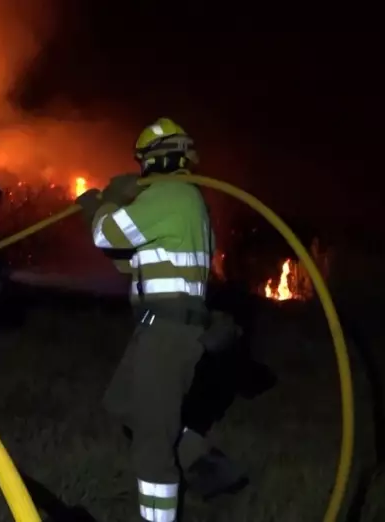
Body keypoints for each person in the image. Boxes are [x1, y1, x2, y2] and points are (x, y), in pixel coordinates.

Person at [74, 118, 247, 522]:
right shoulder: (183, 201)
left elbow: (107, 234)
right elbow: (128, 259)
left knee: (152, 448)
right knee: (122, 403)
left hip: (168, 334)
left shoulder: (170, 196)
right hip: (159, 327)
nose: (143, 173)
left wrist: (99, 204)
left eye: (145, 163)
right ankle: (201, 458)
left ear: (161, 159)